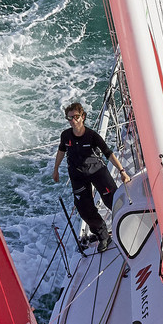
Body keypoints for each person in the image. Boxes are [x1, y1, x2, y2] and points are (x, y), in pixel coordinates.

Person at [54, 98, 119, 249]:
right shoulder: (65, 135)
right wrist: (56, 169)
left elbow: (108, 153)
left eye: (76, 116)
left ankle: (129, 223)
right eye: (70, 117)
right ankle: (103, 236)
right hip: (77, 175)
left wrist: (122, 171)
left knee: (112, 200)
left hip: (97, 171)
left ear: (83, 116)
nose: (73, 120)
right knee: (84, 208)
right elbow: (61, 150)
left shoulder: (92, 135)